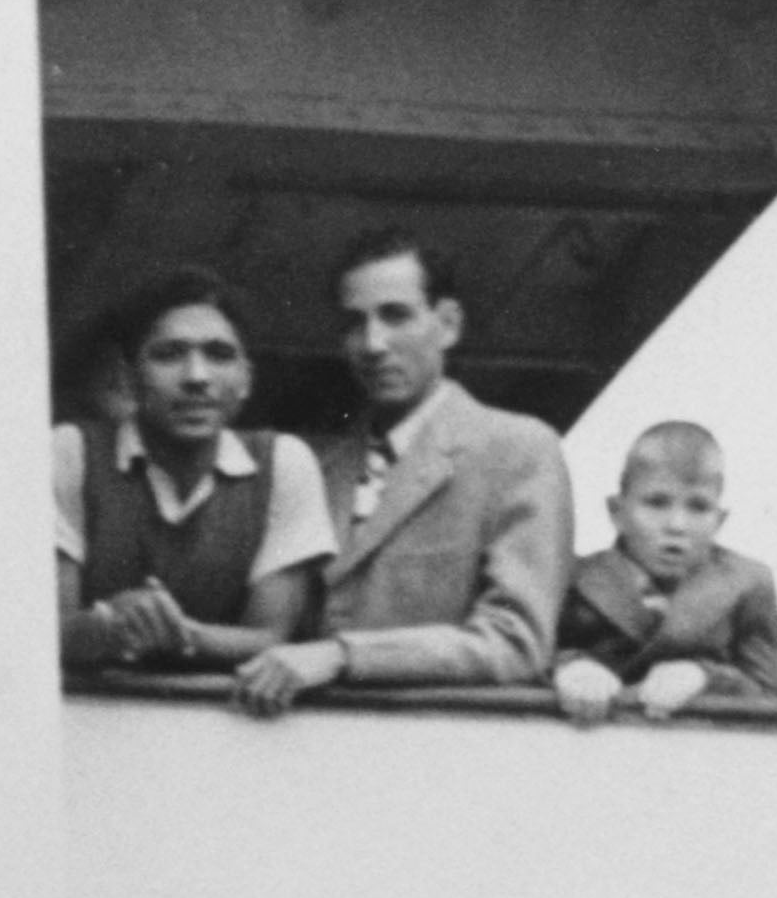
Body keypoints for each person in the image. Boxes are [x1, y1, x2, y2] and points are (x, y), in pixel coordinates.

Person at [232, 226, 571, 714]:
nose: (372, 344)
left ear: (449, 324)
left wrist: (345, 655)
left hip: (441, 749)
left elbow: (517, 641)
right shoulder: (318, 467)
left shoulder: (518, 450)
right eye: (355, 323)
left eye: (396, 316)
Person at [49, 267, 329, 684]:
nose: (196, 377)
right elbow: (44, 631)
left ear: (246, 379)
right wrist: (108, 625)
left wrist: (170, 632)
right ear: (128, 377)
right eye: (169, 354)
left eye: (219, 354)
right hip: (95, 718)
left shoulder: (284, 463)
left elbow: (272, 637)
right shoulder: (73, 452)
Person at [550, 417, 777, 711]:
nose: (677, 525)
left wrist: (706, 676)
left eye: (698, 507)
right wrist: (570, 667)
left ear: (719, 519)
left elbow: (770, 695)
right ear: (616, 512)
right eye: (656, 503)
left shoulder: (749, 583)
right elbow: (523, 661)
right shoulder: (574, 579)